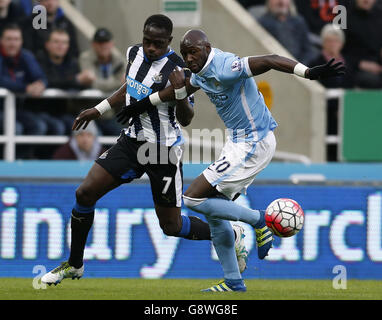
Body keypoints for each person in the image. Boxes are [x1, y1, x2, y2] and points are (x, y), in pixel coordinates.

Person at [120, 29, 344, 292]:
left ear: (207, 47)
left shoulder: (227, 66)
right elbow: (175, 91)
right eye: (185, 54)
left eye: (193, 52)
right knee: (214, 212)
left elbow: (270, 59)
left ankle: (258, 219)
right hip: (237, 143)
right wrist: (141, 104)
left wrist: (307, 72)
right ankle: (234, 282)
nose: (189, 58)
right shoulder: (201, 74)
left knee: (192, 198)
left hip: (253, 141)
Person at [41, 15, 248, 286]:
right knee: (84, 192)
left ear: (169, 43)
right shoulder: (133, 53)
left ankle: (230, 235)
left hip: (163, 151)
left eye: (158, 44)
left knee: (171, 226)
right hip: (131, 142)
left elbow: (186, 119)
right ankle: (75, 264)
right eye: (147, 41)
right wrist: (99, 109)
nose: (151, 48)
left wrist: (180, 92)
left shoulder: (181, 69)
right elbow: (130, 87)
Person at [0, 23, 47, 136]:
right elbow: (1, 80)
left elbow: (40, 76)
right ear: (1, 40)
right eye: (9, 39)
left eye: (16, 39)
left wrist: (41, 84)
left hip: (17, 109)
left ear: (21, 41)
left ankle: (23, 154)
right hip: (2, 108)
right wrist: (25, 88)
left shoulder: (26, 56)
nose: (13, 43)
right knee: (16, 128)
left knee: (39, 126)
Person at [79, 28, 126, 136]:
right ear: (93, 44)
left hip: (111, 112)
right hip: (89, 109)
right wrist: (118, 82)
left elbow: (126, 83)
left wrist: (120, 83)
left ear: (112, 43)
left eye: (106, 42)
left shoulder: (118, 58)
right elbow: (94, 84)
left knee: (121, 135)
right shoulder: (86, 57)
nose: (103, 46)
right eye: (100, 43)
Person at [258, 0, 318, 65]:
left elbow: (307, 50)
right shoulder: (262, 23)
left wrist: (299, 66)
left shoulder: (298, 21)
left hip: (297, 68)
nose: (281, 2)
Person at [342, 0, 382, 88]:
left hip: (377, 64)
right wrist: (359, 64)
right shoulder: (345, 17)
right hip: (354, 67)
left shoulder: (379, 15)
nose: (367, 0)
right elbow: (339, 52)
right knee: (372, 80)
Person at [309, 24, 353, 88]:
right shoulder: (315, 64)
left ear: (341, 44)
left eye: (336, 41)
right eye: (329, 41)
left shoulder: (348, 63)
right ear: (323, 43)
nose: (333, 44)